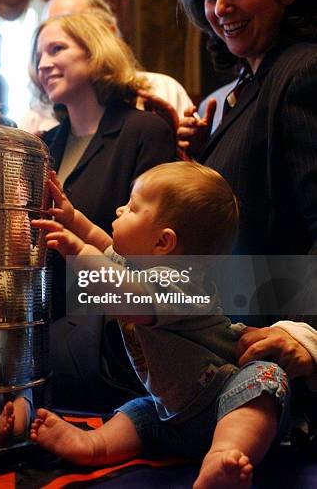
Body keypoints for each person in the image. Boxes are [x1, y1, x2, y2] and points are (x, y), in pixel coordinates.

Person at [30, 163, 290, 489]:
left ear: (163, 242)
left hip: (224, 399)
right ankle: (94, 445)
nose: (120, 208)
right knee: (141, 412)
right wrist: (71, 218)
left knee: (263, 379)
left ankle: (226, 454)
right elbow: (106, 244)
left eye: (134, 207)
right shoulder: (142, 269)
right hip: (174, 414)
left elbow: (123, 293)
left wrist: (79, 252)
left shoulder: (181, 285)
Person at [175, 0, 317, 421]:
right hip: (232, 360)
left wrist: (303, 331)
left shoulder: (303, 69)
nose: (221, 9)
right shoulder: (245, 88)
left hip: (281, 376)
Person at [30, 12, 177, 410]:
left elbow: (153, 256)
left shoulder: (144, 132)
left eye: (57, 48)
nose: (42, 64)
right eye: (38, 54)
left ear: (95, 53)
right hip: (46, 331)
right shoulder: (43, 145)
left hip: (116, 344)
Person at [19, 0, 192, 134]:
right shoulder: (36, 118)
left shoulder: (162, 89)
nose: (44, 64)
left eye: (75, 23)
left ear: (107, 32)